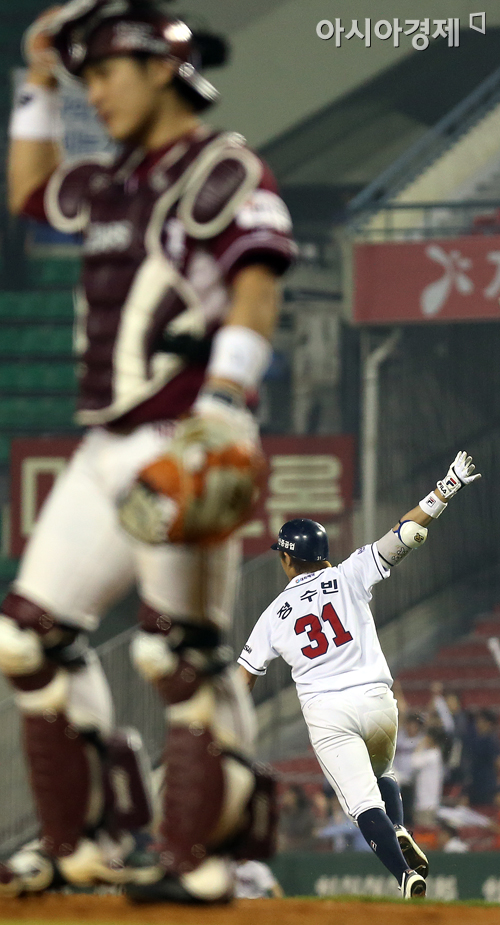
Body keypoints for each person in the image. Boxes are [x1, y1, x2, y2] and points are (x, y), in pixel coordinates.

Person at [0, 0, 296, 905]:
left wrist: (223, 403)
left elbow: (256, 284)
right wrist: (36, 82)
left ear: (163, 67)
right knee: (24, 638)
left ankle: (211, 854)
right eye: (85, 76)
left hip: (190, 429)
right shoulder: (114, 181)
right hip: (106, 445)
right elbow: (28, 191)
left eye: (107, 71)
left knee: (177, 657)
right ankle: (84, 840)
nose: (98, 90)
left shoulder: (225, 166)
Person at [238, 451, 481, 900]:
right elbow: (405, 534)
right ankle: (400, 828)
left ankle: (405, 878)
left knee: (361, 802)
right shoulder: (350, 572)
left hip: (328, 713)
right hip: (378, 704)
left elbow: (244, 677)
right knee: (381, 768)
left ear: (289, 560)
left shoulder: (273, 615)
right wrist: (446, 488)